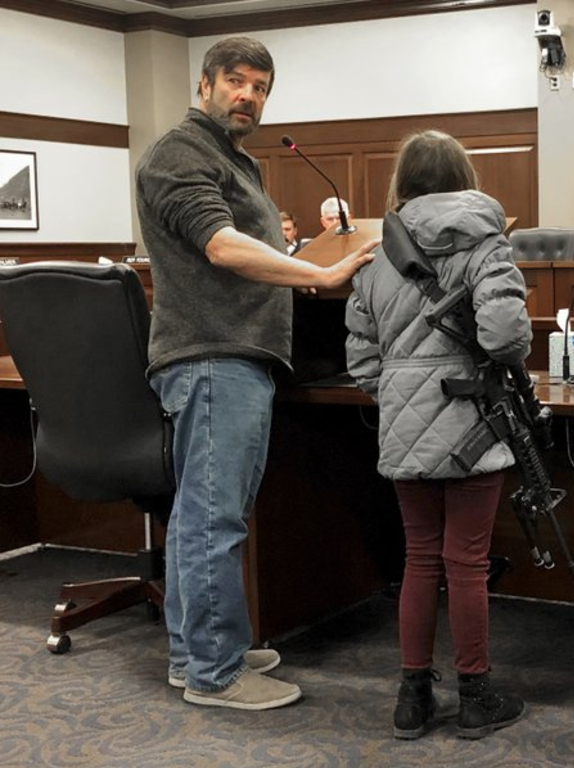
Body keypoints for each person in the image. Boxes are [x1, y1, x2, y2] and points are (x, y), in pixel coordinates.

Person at [135, 36, 377, 711]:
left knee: (201, 517)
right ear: (205, 83)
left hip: (233, 352)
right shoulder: (180, 153)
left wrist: (297, 267)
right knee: (215, 519)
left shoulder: (231, 159)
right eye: (236, 82)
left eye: (261, 87)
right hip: (213, 352)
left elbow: (249, 245)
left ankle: (199, 653)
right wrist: (320, 272)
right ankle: (215, 672)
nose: (249, 96)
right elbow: (220, 244)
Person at [345, 130, 530, 740]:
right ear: (465, 178)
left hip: (403, 428)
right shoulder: (487, 247)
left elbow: (362, 361)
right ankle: (474, 694)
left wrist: (400, 392)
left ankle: (412, 698)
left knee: (420, 559)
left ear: (403, 184)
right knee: (467, 563)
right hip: (474, 418)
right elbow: (504, 337)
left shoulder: (377, 261)